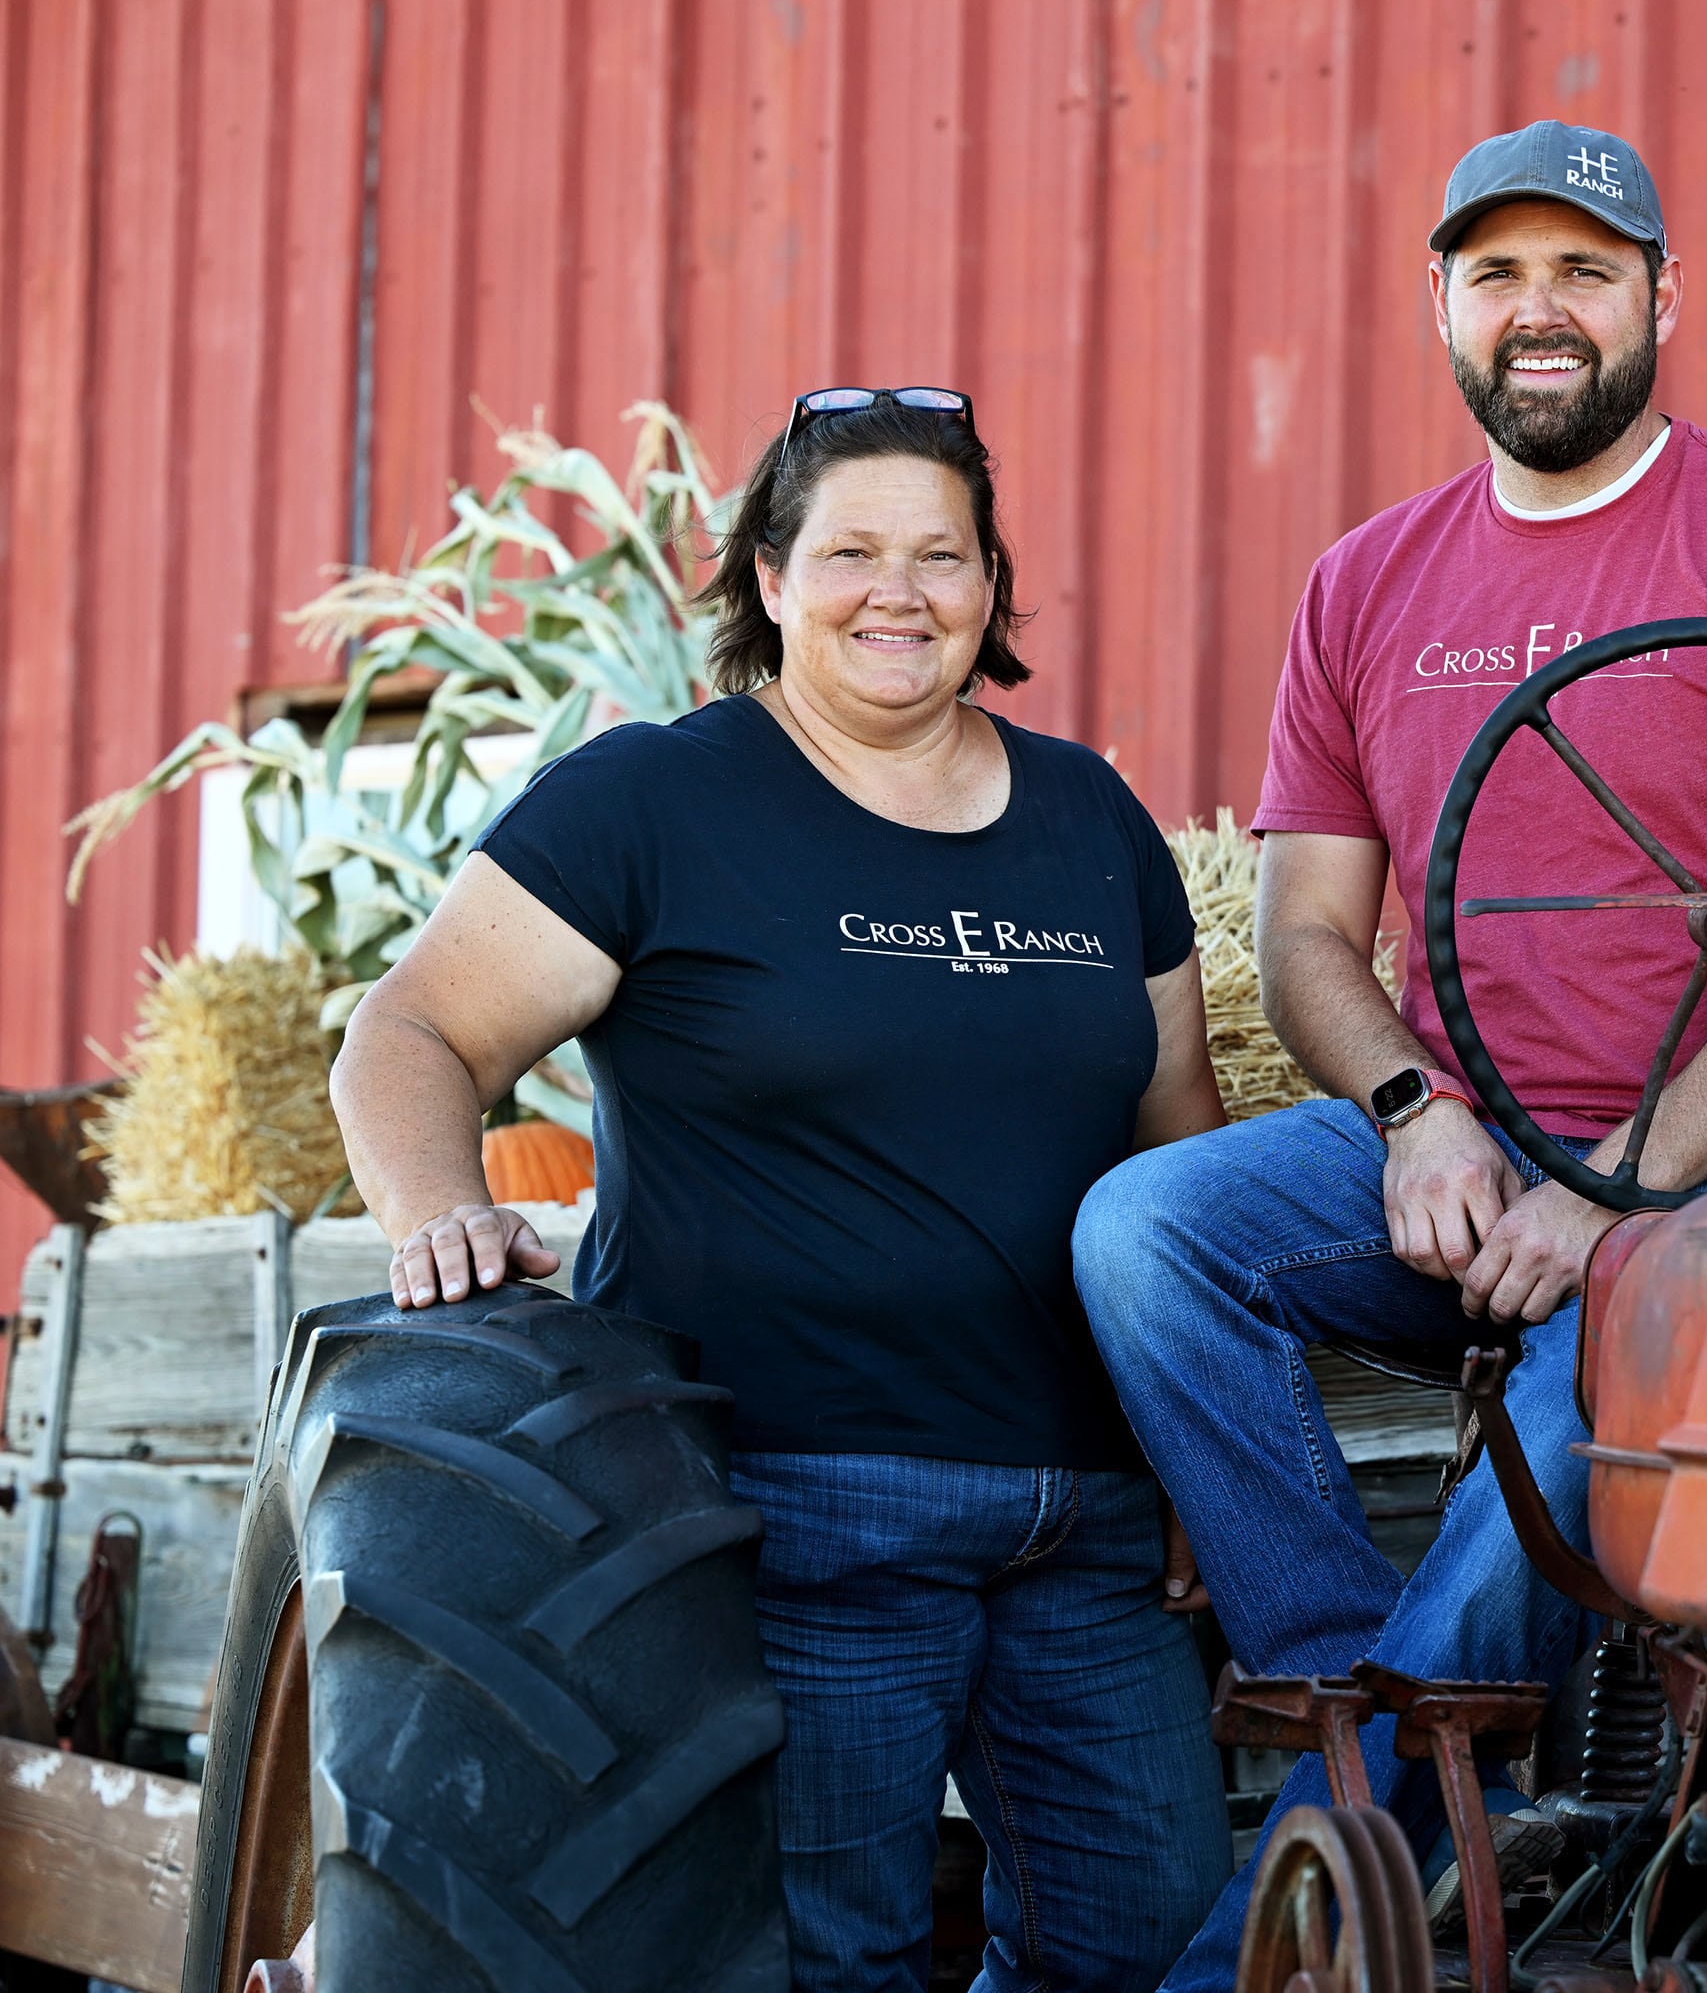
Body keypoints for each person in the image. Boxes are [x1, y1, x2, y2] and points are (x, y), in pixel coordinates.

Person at [1074, 121, 1707, 1984]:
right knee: (1145, 1234)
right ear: (1444, 310)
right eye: (1498, 276)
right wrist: (1415, 1114)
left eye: (1583, 273)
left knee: (1528, 1503)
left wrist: (1611, 1181)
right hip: (1470, 1166)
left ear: (1661, 301)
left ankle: (1285, 1928)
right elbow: (1307, 936)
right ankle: (1338, 1672)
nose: (1537, 313)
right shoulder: (1369, 583)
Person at [329, 388, 1231, 1993]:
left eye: (943, 555)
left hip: (1087, 1521)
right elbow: (408, 1034)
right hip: (795, 1508)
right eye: (853, 550)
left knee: (1148, 1942)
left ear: (990, 587)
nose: (902, 591)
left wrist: (1191, 1447)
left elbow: (1178, 1146)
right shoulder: (655, 808)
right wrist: (434, 1216)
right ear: (767, 576)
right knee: (835, 1966)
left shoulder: (1094, 819)